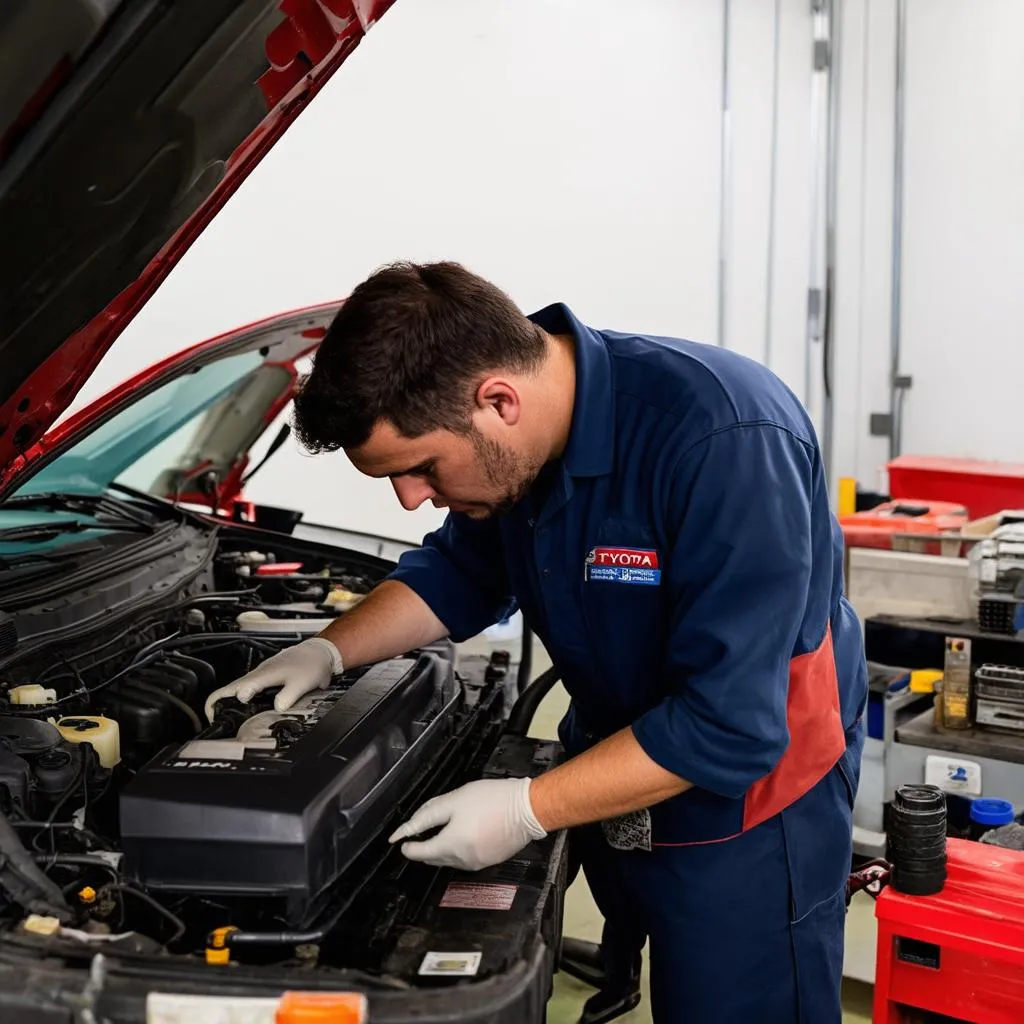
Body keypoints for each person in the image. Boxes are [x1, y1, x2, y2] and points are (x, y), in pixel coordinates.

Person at [205, 262, 867, 1023]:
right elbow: (458, 573)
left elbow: (729, 725)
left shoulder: (724, 438)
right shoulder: (517, 455)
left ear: (498, 399)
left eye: (421, 467)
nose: (412, 498)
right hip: (620, 762)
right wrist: (326, 651)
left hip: (751, 813)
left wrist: (527, 808)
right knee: (631, 961)